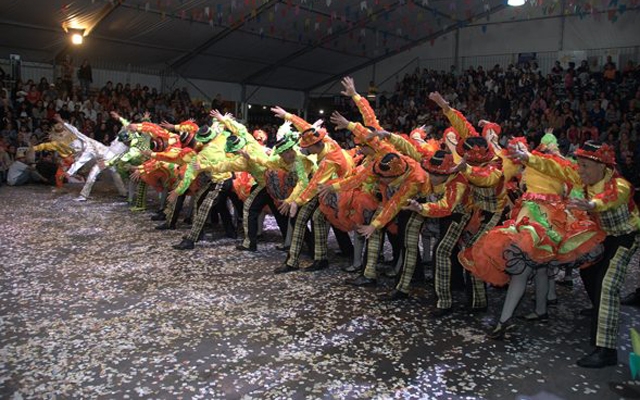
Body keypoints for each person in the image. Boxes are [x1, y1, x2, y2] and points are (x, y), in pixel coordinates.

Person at [512, 140, 639, 368]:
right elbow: (556, 167)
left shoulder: (619, 184)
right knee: (589, 273)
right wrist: (527, 157)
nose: (579, 170)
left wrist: (592, 204)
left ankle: (606, 350)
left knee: (607, 285)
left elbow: (611, 198)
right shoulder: (583, 176)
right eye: (579, 165)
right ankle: (599, 309)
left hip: (625, 236)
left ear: (602, 166)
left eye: (585, 166)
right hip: (603, 235)